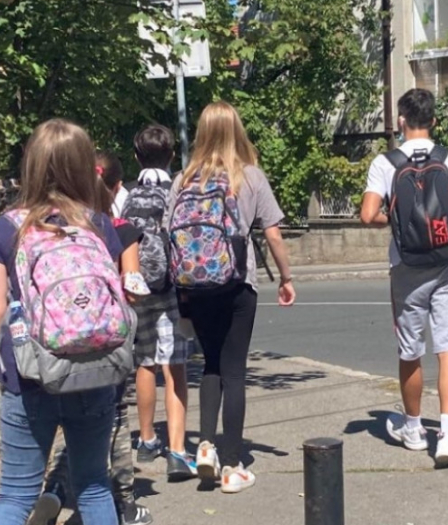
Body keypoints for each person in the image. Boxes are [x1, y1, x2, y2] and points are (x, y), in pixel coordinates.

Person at [0, 118, 124, 525]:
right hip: (94, 371)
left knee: (16, 494)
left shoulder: (6, 229)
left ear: (30, 164)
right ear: (83, 166)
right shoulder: (99, 225)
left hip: (28, 376)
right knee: (94, 485)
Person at [359, 88, 448, 467]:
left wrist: (404, 226)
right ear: (434, 121)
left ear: (401, 121)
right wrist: (445, 227)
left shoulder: (385, 163)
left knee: (410, 349)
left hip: (406, 266)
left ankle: (414, 428)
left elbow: (368, 215)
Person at [168, 102, 296, 493]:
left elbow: (168, 233)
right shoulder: (250, 176)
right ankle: (232, 465)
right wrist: (286, 277)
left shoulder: (183, 180)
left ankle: (205, 445)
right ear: (237, 130)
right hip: (237, 283)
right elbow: (273, 233)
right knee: (235, 371)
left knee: (210, 364)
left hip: (194, 287)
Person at [29, 151, 154, 525]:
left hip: (60, 345)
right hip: (107, 346)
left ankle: (54, 489)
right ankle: (124, 503)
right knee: (113, 421)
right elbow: (132, 287)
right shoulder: (118, 228)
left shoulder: (55, 226)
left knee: (72, 425)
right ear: (116, 188)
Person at [123, 125, 197, 481]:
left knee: (145, 362)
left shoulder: (126, 195)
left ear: (137, 157)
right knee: (175, 364)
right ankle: (178, 451)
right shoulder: (178, 192)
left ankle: (147, 438)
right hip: (173, 289)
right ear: (171, 156)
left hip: (138, 287)